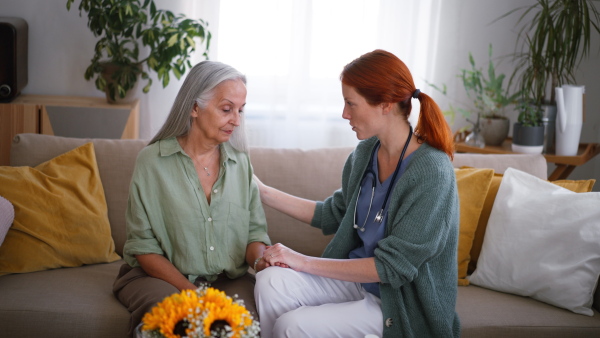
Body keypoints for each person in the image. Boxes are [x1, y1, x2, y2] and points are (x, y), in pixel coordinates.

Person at [253, 49, 460, 338]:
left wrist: (301, 261)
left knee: (292, 326)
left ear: (385, 105)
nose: (344, 114)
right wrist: (261, 191)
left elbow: (392, 268)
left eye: (351, 103)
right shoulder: (364, 154)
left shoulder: (432, 172)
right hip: (354, 281)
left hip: (395, 301)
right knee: (270, 281)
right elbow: (334, 213)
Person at [113, 61, 271, 336]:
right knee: (176, 322)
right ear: (195, 108)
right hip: (160, 279)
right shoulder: (152, 162)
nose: (236, 120)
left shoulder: (241, 163)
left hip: (228, 281)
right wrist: (194, 295)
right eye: (226, 109)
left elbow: (254, 233)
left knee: (242, 327)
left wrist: (262, 262)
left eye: (240, 110)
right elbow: (143, 247)